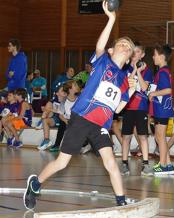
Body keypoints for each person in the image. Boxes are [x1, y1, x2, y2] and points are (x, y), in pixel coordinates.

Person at [23, 1, 136, 210]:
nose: (125, 48)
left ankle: (121, 201)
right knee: (62, 163)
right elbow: (100, 46)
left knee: (111, 161)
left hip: (101, 125)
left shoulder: (123, 79)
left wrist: (130, 90)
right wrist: (111, 19)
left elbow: (118, 109)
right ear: (112, 50)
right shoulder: (104, 61)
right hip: (83, 118)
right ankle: (35, 183)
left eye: (129, 48)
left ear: (130, 57)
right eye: (122, 44)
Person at [120, 42, 154, 176]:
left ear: (143, 55)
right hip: (128, 107)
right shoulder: (126, 68)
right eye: (133, 51)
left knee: (143, 136)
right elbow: (127, 84)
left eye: (138, 52)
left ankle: (145, 164)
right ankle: (124, 163)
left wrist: (139, 72)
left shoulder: (148, 71)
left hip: (141, 108)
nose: (135, 54)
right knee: (126, 136)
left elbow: (145, 88)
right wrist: (134, 69)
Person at [148, 44, 174, 175]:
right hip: (161, 109)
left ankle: (163, 165)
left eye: (155, 54)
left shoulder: (163, 72)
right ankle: (169, 164)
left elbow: (168, 90)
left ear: (162, 56)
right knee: (160, 137)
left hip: (162, 109)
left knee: (160, 137)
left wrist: (153, 94)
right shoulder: (162, 71)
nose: (153, 57)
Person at [38, 86, 67, 151]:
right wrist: (46, 109)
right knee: (46, 116)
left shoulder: (67, 100)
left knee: (49, 108)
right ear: (57, 93)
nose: (64, 91)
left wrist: (50, 109)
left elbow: (61, 112)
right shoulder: (53, 101)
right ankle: (46, 140)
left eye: (65, 90)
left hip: (63, 119)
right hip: (56, 119)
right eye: (62, 90)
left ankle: (41, 121)